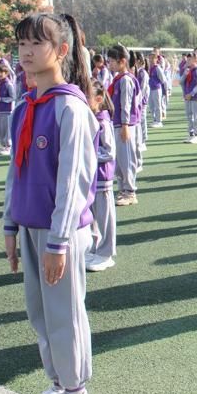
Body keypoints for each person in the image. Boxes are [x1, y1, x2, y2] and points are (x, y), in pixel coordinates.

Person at [3, 12, 97, 394]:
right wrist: (9, 225)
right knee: (40, 314)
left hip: (61, 231)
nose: (25, 52)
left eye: (35, 44)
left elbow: (72, 181)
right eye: (21, 43)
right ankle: (59, 385)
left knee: (65, 314)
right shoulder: (25, 106)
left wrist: (58, 243)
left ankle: (77, 393)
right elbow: (15, 171)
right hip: (29, 224)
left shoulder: (69, 109)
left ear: (60, 51)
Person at [86, 80, 117, 272]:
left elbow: (109, 152)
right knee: (92, 216)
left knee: (105, 217)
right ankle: (94, 248)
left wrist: (87, 155)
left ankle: (106, 253)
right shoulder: (91, 119)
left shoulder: (102, 122)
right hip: (91, 177)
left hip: (102, 177)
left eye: (87, 97)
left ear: (98, 99)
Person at [107, 44, 141, 207]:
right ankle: (123, 189)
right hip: (117, 123)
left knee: (127, 159)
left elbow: (126, 104)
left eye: (112, 61)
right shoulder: (118, 79)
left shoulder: (126, 80)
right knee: (119, 160)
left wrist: (126, 124)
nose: (109, 64)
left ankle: (130, 191)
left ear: (122, 61)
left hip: (124, 125)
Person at [181, 53, 197, 144]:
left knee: (196, 115)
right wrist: (184, 75)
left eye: (190, 60)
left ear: (195, 60)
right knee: (189, 115)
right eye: (187, 60)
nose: (188, 61)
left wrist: (192, 93)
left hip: (195, 96)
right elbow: (182, 82)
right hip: (187, 96)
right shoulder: (188, 70)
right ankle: (191, 134)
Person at [0, 63, 16, 156]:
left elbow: (13, 97)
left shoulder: (8, 84)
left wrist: (2, 99)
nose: (0, 74)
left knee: (6, 129)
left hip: (7, 111)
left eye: (2, 72)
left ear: (6, 73)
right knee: (0, 130)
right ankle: (3, 145)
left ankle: (8, 146)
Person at [147, 53, 166, 128]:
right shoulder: (150, 68)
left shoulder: (157, 68)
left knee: (157, 105)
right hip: (151, 88)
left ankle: (159, 121)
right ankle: (154, 120)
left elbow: (163, 79)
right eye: (149, 58)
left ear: (156, 59)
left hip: (157, 88)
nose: (150, 60)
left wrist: (158, 84)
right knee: (151, 105)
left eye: (152, 58)